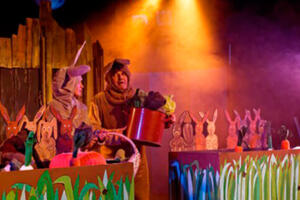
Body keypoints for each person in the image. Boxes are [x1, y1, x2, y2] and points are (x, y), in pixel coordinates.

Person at [88, 58, 150, 200]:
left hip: (137, 158)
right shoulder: (99, 100)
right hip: (111, 160)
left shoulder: (137, 97)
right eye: (116, 74)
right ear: (109, 79)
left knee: (139, 195)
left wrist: (166, 121)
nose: (120, 77)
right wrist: (119, 134)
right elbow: (94, 129)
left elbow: (150, 121)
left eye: (123, 73)